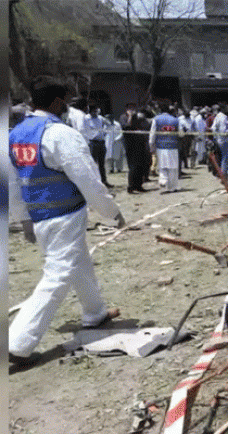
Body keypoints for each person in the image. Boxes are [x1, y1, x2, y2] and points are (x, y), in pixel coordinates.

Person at [8, 76, 125, 367]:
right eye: (65, 103)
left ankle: (95, 313)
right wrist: (111, 212)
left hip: (40, 215)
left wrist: (24, 218)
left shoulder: (16, 134)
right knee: (58, 274)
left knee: (78, 261)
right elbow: (87, 179)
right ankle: (17, 343)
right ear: (58, 102)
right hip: (65, 213)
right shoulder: (60, 134)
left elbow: (11, 181)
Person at [149, 100, 180, 192]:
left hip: (161, 146)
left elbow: (152, 133)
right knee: (173, 167)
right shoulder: (175, 120)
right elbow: (180, 133)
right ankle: (172, 187)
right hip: (173, 146)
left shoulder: (156, 119)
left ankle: (163, 180)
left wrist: (151, 145)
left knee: (162, 165)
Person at [82, 102, 112, 188]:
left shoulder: (100, 118)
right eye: (94, 111)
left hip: (101, 142)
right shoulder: (86, 118)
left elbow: (109, 124)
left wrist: (104, 132)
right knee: (93, 164)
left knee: (102, 164)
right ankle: (95, 183)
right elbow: (83, 129)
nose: (95, 113)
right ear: (90, 111)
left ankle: (104, 181)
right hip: (92, 143)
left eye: (96, 111)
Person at [211, 103, 228, 179]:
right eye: (227, 108)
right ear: (223, 109)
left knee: (222, 159)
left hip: (220, 140)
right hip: (224, 141)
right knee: (225, 159)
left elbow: (213, 128)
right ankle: (224, 176)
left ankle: (221, 175)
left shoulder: (218, 116)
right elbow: (223, 132)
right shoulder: (223, 117)